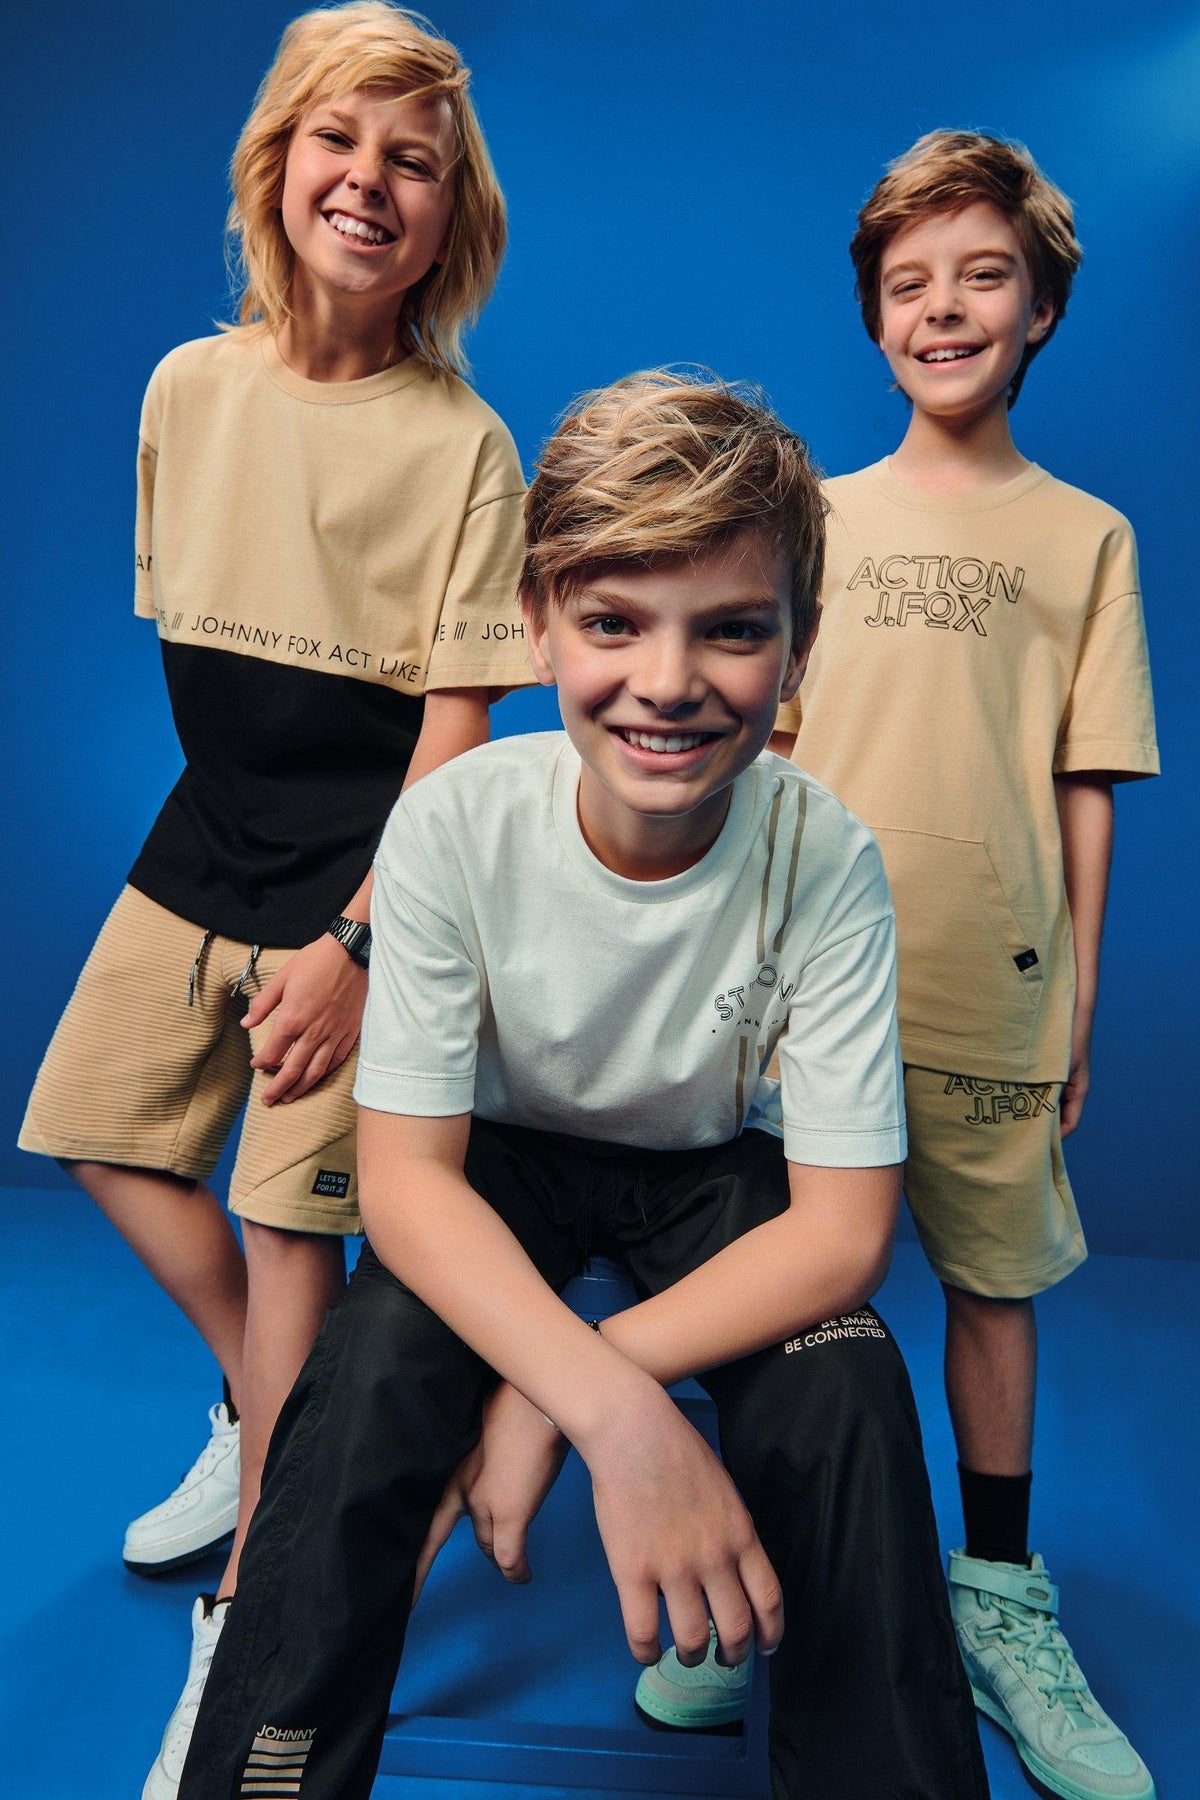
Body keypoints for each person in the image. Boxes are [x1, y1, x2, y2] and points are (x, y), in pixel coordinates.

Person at [177, 369, 990, 1800]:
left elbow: (843, 1232)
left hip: (713, 1173)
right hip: (496, 1164)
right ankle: (261, 1766)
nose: (669, 681)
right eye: (615, 623)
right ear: (540, 622)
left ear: (799, 647)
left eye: (732, 628)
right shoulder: (454, 825)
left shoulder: (826, 858)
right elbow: (409, 1187)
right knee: (362, 1381)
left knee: (847, 1386)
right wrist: (620, 1417)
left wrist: (555, 1391)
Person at [17, 5, 532, 1794]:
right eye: (340, 141)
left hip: (363, 871)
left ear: (450, 216)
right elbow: (208, 655)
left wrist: (355, 944)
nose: (370, 182)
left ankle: (256, 1610)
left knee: (292, 1225)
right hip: (208, 835)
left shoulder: (468, 445)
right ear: (277, 165)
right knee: (95, 1131)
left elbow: (452, 742)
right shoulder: (186, 389)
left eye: (414, 161)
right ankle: (288, 1426)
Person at [645, 133, 1158, 1800]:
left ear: (1040, 308)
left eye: (981, 276)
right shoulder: (812, 518)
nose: (944, 308)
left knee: (995, 1293)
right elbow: (761, 744)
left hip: (992, 985)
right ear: (875, 317)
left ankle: (998, 1599)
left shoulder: (1089, 538)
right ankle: (754, 1580)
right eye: (910, 283)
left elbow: (1084, 778)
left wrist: (1079, 987)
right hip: (813, 992)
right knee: (796, 1286)